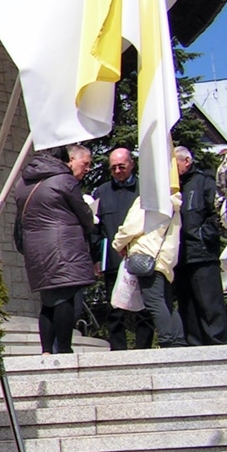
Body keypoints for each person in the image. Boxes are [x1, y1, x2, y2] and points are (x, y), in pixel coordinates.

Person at [13, 145, 95, 354]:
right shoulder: (64, 179)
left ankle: (46, 350)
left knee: (48, 300)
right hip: (64, 245)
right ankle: (65, 349)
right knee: (65, 296)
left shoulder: (22, 183)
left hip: (35, 249)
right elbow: (84, 214)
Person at [91, 149, 153, 350]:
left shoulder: (145, 189)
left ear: (131, 164)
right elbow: (96, 228)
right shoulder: (101, 192)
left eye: (122, 166)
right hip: (113, 260)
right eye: (113, 168)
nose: (117, 171)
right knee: (115, 310)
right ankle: (118, 350)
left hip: (142, 258)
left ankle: (144, 350)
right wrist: (96, 258)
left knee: (144, 309)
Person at [113, 190, 184, 348]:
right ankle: (178, 340)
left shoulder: (148, 198)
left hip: (147, 254)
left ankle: (167, 340)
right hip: (165, 257)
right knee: (166, 301)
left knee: (154, 301)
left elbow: (131, 227)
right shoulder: (173, 202)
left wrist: (117, 244)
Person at [173, 146, 227, 345]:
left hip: (202, 254)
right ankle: (194, 347)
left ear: (186, 162)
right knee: (187, 307)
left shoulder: (203, 182)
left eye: (174, 164)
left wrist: (203, 236)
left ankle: (218, 345)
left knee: (210, 305)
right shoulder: (173, 188)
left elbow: (217, 213)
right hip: (179, 256)